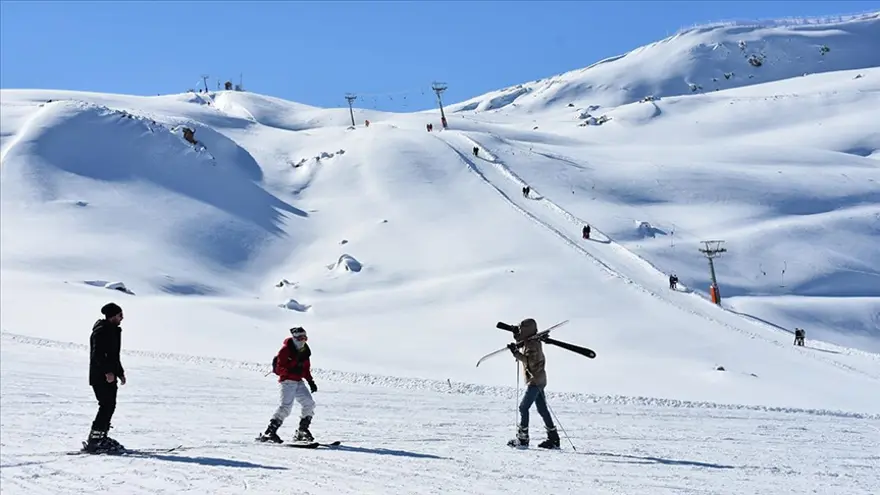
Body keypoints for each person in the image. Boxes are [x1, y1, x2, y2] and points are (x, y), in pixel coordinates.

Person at [506, 318, 560, 449]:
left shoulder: (532, 345)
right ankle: (553, 439)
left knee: (523, 407)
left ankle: (523, 439)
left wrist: (516, 353)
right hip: (539, 380)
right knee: (542, 409)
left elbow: (529, 361)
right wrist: (515, 338)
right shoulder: (531, 342)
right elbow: (520, 340)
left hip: (535, 381)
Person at [259, 327, 319, 443]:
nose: (303, 341)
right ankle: (270, 432)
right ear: (295, 338)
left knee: (309, 404)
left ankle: (302, 430)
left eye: (305, 338)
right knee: (286, 407)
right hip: (287, 382)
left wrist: (311, 381)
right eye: (301, 338)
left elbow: (306, 368)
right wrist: (291, 370)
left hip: (298, 382)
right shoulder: (285, 350)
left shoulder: (305, 351)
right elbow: (280, 367)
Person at [84, 302, 127, 453]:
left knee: (110, 405)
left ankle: (101, 436)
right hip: (100, 376)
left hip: (110, 375)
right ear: (112, 316)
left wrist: (120, 372)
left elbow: (114, 356)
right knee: (106, 405)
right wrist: (107, 371)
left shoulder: (113, 330)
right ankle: (95, 440)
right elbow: (98, 355)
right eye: (120, 315)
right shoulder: (101, 331)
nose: (122, 318)